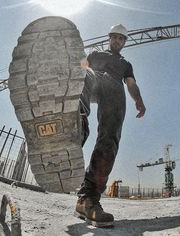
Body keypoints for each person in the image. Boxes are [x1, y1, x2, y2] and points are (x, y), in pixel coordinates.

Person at [75, 24, 146, 227]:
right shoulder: (96, 53)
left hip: (114, 91)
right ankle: (76, 123)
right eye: (114, 37)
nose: (117, 41)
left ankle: (87, 199)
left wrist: (138, 101)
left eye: (121, 39)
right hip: (93, 81)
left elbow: (131, 84)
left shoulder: (125, 64)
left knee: (109, 140)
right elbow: (80, 68)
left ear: (124, 42)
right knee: (86, 74)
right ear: (109, 38)